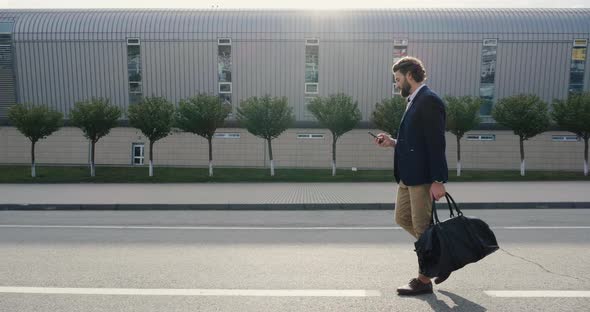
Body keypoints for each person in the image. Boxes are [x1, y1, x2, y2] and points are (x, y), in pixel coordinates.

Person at [374, 56, 449, 296]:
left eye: (397, 79)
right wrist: (392, 142)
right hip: (408, 175)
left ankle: (424, 279)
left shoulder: (429, 101)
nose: (396, 84)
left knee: (421, 226)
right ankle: (440, 255)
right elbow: (414, 142)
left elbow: (436, 143)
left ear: (409, 75)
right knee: (402, 218)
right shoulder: (414, 101)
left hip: (423, 177)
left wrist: (438, 180)